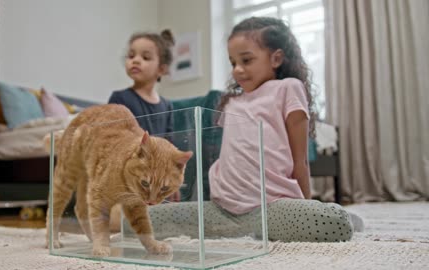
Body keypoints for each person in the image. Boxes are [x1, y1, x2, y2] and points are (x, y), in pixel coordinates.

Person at [122, 17, 364, 243]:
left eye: (246, 61)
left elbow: (300, 160)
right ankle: (246, 232)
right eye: (233, 63)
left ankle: (336, 217)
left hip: (271, 205)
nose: (237, 69)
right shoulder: (231, 103)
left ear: (276, 58)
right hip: (221, 209)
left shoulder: (288, 88)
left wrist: (306, 205)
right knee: (132, 224)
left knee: (332, 224)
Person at [108, 29, 175, 136]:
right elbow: (113, 137)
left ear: (161, 69)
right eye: (131, 56)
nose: (135, 60)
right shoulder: (119, 98)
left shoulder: (167, 106)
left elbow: (169, 143)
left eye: (145, 57)